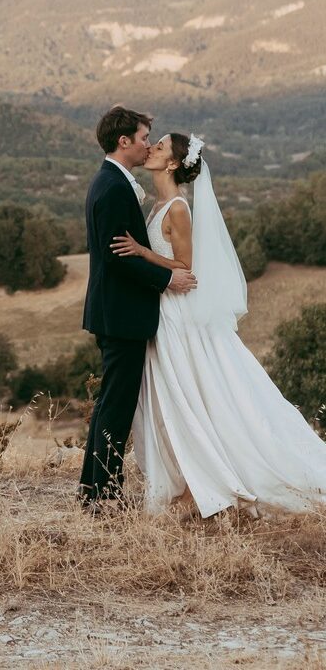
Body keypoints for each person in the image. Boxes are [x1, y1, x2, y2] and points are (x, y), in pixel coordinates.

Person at [115, 132, 326, 517]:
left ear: (174, 163)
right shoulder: (157, 205)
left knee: (189, 393)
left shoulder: (178, 207)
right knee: (172, 396)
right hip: (160, 311)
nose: (151, 150)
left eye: (159, 147)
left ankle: (204, 482)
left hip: (177, 313)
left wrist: (143, 251)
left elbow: (185, 266)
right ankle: (185, 480)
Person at [78, 106, 197, 511]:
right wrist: (166, 280)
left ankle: (95, 491)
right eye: (145, 136)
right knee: (116, 404)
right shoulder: (112, 187)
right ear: (124, 141)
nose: (149, 143)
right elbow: (116, 257)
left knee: (111, 402)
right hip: (121, 314)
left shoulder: (114, 182)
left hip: (119, 313)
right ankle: (103, 494)